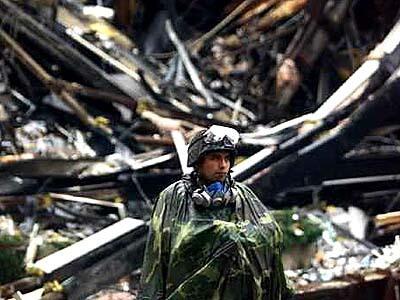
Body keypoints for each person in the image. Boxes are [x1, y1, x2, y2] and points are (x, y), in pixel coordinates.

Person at [139, 125, 290, 300]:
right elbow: (163, 250)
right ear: (199, 161)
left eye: (227, 158)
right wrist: (221, 234)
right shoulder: (174, 197)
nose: (223, 165)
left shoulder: (242, 194)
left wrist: (243, 238)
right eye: (215, 158)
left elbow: (270, 233)